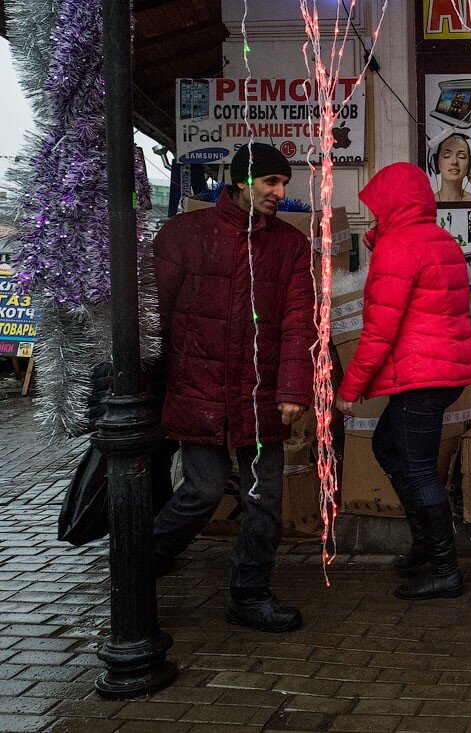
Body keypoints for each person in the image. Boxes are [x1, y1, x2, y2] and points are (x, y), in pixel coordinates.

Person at [152, 143, 314, 633]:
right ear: (243, 181)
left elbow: (299, 323)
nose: (279, 193)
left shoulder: (290, 245)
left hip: (261, 393)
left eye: (283, 184)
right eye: (271, 182)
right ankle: (139, 563)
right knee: (201, 490)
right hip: (197, 388)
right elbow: (151, 314)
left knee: (264, 497)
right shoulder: (185, 234)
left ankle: (249, 595)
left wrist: (292, 389)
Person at [335, 162, 471, 601]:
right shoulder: (439, 239)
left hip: (424, 375)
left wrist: (350, 389)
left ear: (394, 204)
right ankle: (424, 543)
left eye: (378, 207)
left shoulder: (399, 247)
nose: (374, 215)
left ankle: (445, 568)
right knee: (386, 446)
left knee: (418, 468)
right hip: (443, 370)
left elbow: (379, 330)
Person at [432, 133, 471, 203]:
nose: (454, 162)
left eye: (461, 156)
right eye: (447, 156)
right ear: (436, 162)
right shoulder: (425, 202)